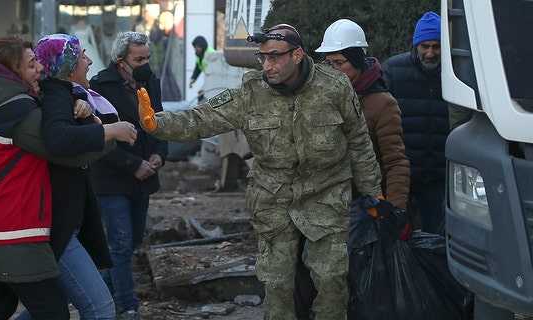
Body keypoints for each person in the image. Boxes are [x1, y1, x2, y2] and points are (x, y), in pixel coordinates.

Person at [137, 24, 383, 320]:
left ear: (297, 55)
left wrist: (373, 191)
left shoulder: (335, 87)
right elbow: (201, 119)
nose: (267, 66)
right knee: (276, 283)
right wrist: (156, 124)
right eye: (262, 58)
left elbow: (359, 140)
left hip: (325, 195)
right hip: (273, 200)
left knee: (330, 279)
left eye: (275, 57)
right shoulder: (251, 93)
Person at [291, 18, 411, 320]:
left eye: (340, 62)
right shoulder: (320, 97)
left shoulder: (382, 103)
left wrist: (393, 209)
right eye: (328, 63)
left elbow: (395, 160)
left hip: (359, 205)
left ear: (358, 60)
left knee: (340, 271)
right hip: (317, 199)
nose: (333, 70)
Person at [14, 34, 138, 320]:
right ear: (68, 66)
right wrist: (109, 130)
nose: (90, 60)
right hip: (57, 225)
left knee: (49, 309)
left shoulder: (64, 93)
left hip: (59, 221)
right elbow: (59, 139)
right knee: (101, 308)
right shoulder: (57, 94)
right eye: (83, 56)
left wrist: (86, 114)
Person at [0, 35, 68, 320]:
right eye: (32, 64)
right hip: (13, 237)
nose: (40, 68)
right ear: (13, 73)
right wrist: (109, 133)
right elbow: (67, 150)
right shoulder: (20, 112)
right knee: (53, 312)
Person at [89, 31, 168, 320]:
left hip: (145, 176)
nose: (145, 63)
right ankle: (126, 304)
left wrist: (160, 152)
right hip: (112, 178)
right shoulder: (99, 87)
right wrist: (132, 164)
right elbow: (96, 139)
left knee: (132, 241)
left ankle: (105, 295)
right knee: (120, 244)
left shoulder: (150, 82)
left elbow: (159, 121)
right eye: (139, 59)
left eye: (147, 57)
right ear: (121, 61)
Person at [382, 11, 449, 234]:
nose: (430, 53)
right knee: (398, 233)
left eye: (436, 46)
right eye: (425, 46)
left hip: (439, 176)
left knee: (436, 238)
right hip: (402, 175)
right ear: (416, 46)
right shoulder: (393, 71)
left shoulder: (456, 74)